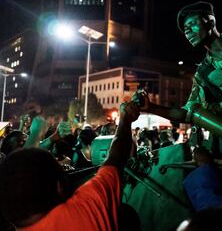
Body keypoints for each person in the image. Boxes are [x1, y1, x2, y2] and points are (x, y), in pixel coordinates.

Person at [141, 1, 222, 156]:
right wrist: (150, 107)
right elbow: (187, 113)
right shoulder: (203, 74)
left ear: (211, 21)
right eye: (185, 30)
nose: (188, 31)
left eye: (191, 24)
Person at [0, 94, 141, 230]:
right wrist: (125, 119)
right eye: (22, 143)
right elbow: (116, 159)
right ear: (59, 187)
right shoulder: (85, 211)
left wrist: (42, 136)